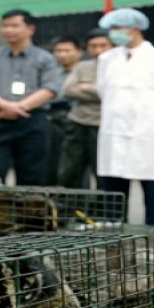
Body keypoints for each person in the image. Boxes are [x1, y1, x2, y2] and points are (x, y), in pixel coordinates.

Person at [96, 8, 154, 227]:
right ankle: (114, 231)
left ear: (134, 29)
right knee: (113, 183)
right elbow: (102, 90)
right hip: (113, 129)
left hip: (147, 130)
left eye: (117, 28)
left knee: (151, 182)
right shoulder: (107, 58)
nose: (113, 33)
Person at [0, 9, 63, 186]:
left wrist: (19, 107)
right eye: (5, 26)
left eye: (14, 25)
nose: (8, 30)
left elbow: (50, 88)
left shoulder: (45, 58)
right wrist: (4, 106)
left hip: (32, 121)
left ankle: (26, 213)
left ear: (30, 29)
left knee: (32, 174)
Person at [58, 29, 114, 189]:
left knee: (103, 174)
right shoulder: (83, 66)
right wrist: (98, 92)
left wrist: (86, 87)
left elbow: (113, 93)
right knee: (69, 172)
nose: (98, 50)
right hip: (78, 122)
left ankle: (104, 212)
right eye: (93, 46)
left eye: (103, 45)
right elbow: (67, 89)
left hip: (104, 125)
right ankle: (72, 211)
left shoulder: (119, 67)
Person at [44, 35, 84, 185]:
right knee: (50, 165)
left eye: (67, 50)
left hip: (77, 121)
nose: (62, 54)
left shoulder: (85, 71)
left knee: (76, 167)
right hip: (52, 122)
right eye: (58, 51)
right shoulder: (49, 73)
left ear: (79, 52)